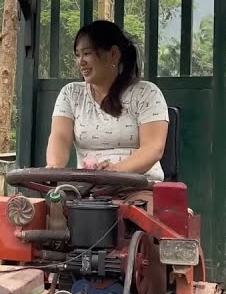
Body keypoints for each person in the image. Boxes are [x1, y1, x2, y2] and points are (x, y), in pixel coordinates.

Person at [46, 20, 170, 182]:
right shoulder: (70, 93)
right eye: (77, 55)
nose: (81, 61)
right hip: (88, 188)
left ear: (113, 54)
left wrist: (115, 171)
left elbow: (153, 148)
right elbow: (60, 137)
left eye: (87, 53)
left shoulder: (146, 93)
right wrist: (54, 167)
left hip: (138, 186)